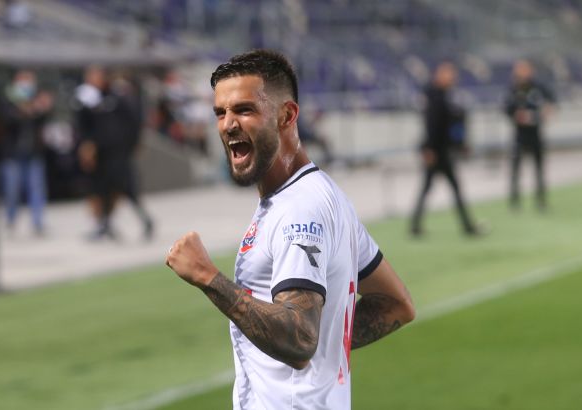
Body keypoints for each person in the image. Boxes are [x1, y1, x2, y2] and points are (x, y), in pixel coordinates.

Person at [165, 50, 415, 409]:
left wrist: (207, 277)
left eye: (244, 110)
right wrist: (327, 345)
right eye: (220, 113)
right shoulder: (324, 196)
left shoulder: (299, 208)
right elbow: (396, 304)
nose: (228, 124)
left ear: (286, 115)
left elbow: (299, 341)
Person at [74, 66, 154, 241]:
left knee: (126, 188)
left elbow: (133, 122)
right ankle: (105, 225)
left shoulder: (117, 97)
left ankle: (145, 220)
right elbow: (86, 126)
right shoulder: (90, 99)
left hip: (119, 153)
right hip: (102, 154)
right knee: (103, 189)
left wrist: (132, 144)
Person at [410, 62, 481, 237]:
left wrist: (460, 144)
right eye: (448, 74)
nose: (452, 78)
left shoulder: (447, 95)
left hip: (443, 151)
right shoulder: (434, 95)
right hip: (437, 152)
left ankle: (416, 226)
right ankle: (466, 226)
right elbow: (431, 125)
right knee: (437, 189)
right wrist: (428, 149)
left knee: (438, 189)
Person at [0, 69, 53, 236]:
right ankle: (11, 219)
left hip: (33, 153)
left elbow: (42, 122)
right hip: (13, 154)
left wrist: (41, 109)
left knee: (36, 188)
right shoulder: (7, 100)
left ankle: (37, 222)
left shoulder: (37, 100)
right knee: (12, 190)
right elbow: (7, 121)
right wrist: (25, 110)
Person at [504, 59, 555, 212]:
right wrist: (517, 116)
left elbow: (551, 103)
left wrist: (541, 115)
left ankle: (540, 200)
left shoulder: (538, 88)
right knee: (516, 169)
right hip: (519, 135)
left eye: (525, 69)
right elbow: (506, 109)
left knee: (539, 168)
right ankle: (515, 201)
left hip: (535, 134)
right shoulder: (513, 89)